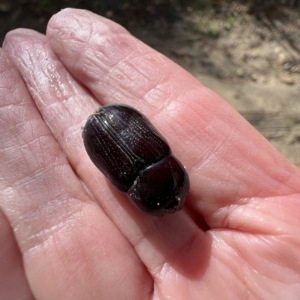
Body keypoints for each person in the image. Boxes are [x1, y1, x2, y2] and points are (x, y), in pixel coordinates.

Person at [0, 8, 299, 300]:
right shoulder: (151, 178)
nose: (176, 204)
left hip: (108, 130)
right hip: (112, 128)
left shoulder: (161, 177)